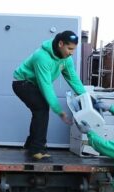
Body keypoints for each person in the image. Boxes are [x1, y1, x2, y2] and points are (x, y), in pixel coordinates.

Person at [12, 30, 86, 160]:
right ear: (60, 44)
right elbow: (46, 86)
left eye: (74, 49)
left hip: (34, 84)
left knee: (40, 109)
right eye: (69, 48)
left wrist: (85, 96)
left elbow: (73, 79)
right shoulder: (42, 57)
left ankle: (32, 144)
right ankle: (36, 149)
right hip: (22, 83)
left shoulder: (66, 59)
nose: (71, 52)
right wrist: (59, 110)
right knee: (41, 108)